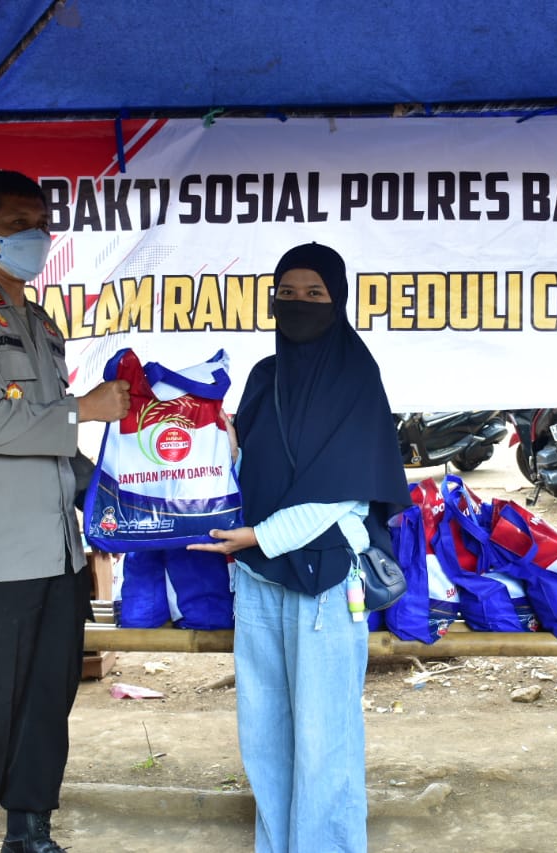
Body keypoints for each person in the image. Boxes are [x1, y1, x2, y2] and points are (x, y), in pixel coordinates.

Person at [0, 170, 131, 853]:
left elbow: (50, 444)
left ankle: (30, 832)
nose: (34, 236)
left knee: (46, 703)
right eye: (17, 225)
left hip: (56, 557)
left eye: (40, 223)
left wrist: (115, 491)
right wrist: (83, 409)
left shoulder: (40, 325)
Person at [188, 242, 410, 852]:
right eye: (287, 293)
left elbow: (344, 495)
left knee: (323, 738)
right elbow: (250, 472)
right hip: (258, 580)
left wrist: (260, 536)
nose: (299, 304)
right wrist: (213, 446)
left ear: (338, 301)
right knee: (264, 734)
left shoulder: (356, 378)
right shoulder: (265, 376)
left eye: (314, 293)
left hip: (326, 585)